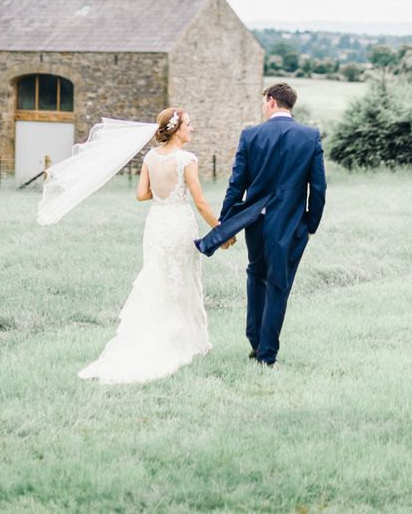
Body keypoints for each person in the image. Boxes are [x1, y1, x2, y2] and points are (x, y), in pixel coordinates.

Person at [78, 107, 219, 384]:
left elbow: (142, 195)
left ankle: (156, 335)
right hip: (178, 223)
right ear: (177, 129)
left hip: (157, 223)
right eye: (189, 124)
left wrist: (162, 193)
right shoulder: (187, 160)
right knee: (184, 280)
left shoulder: (151, 157)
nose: (192, 128)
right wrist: (221, 230)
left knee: (159, 278)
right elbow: (201, 203)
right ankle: (187, 342)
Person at [194, 83, 326, 367]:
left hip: (255, 221)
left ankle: (256, 341)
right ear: (289, 104)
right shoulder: (309, 136)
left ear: (271, 101)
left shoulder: (251, 135)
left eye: (263, 101)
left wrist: (225, 225)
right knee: (279, 283)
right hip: (291, 224)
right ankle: (267, 354)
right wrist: (310, 224)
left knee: (256, 275)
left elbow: (236, 183)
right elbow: (318, 186)